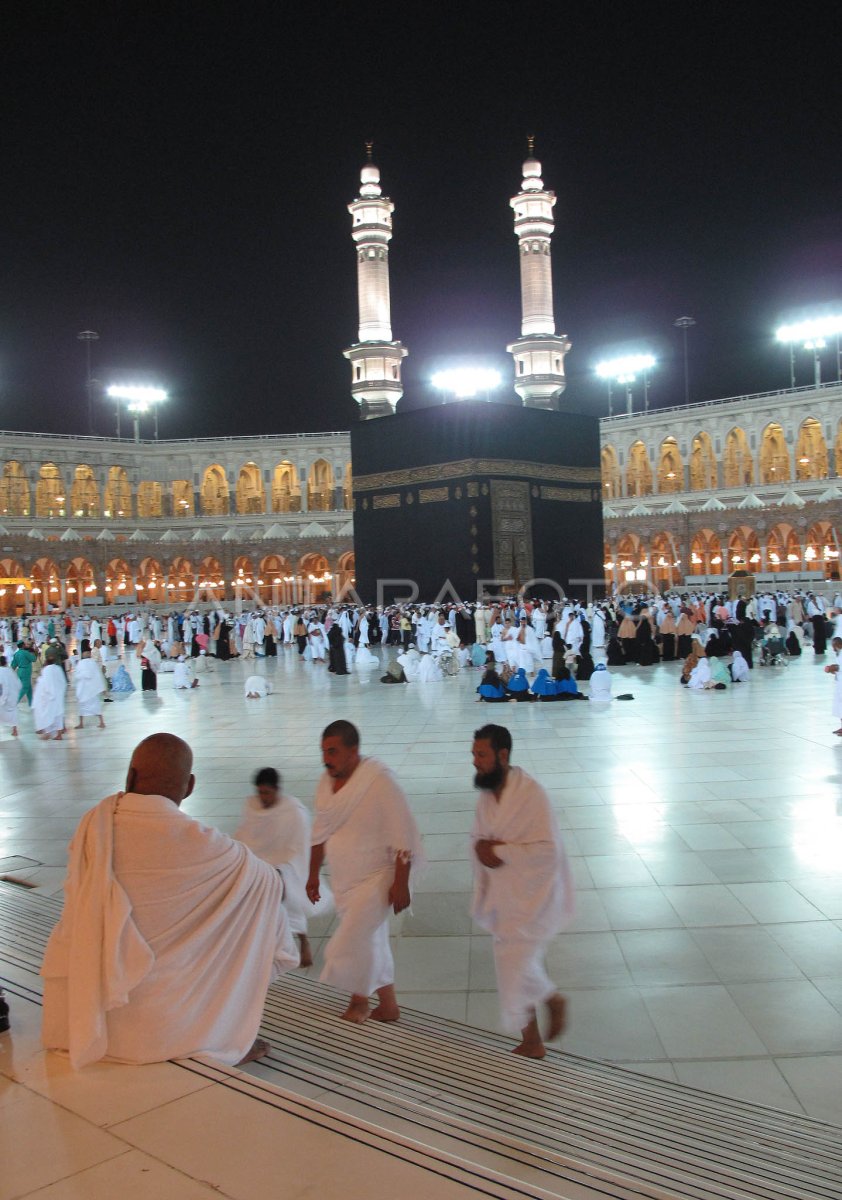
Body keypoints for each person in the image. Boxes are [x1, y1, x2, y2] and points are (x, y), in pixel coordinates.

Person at [41, 733, 298, 1068]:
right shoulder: (209, 846)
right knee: (257, 908)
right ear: (189, 786)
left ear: (130, 776)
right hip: (170, 1027)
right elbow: (270, 885)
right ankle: (223, 1032)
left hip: (94, 1017)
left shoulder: (94, 825)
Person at [306, 720, 424, 1024]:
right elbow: (319, 833)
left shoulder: (379, 781)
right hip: (345, 879)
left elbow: (404, 834)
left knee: (349, 940)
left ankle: (358, 1002)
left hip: (379, 877)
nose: (326, 759)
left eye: (332, 751)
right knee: (372, 939)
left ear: (353, 751)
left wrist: (401, 882)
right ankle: (388, 1006)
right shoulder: (325, 783)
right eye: (323, 752)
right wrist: (311, 874)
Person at [470, 725, 574, 1059]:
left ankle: (551, 999)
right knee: (510, 965)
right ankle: (532, 1039)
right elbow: (479, 840)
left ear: (503, 756)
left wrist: (498, 851)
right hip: (504, 894)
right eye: (473, 755)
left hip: (533, 896)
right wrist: (483, 850)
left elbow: (548, 851)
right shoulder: (487, 798)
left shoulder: (531, 794)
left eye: (481, 755)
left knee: (515, 961)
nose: (475, 762)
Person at [235, 767, 319, 967]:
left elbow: (299, 847)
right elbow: (246, 837)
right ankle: (267, 946)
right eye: (260, 792)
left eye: (267, 793)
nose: (263, 797)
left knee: (288, 895)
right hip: (261, 863)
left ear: (277, 790)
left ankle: (303, 941)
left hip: (287, 866)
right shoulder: (252, 807)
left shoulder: (293, 811)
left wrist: (282, 868)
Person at [32, 652, 68, 739]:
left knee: (48, 714)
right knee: (58, 714)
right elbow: (63, 681)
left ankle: (47, 733)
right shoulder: (58, 668)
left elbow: (46, 683)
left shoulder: (46, 670)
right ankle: (59, 734)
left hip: (50, 696)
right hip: (58, 695)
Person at [74, 649, 106, 730]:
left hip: (90, 689)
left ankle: (101, 722)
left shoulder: (91, 663)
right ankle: (81, 723)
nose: (87, 654)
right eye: (86, 652)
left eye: (88, 653)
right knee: (83, 707)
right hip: (84, 689)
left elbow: (97, 675)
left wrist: (102, 688)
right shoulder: (82, 663)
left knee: (94, 705)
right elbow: (77, 675)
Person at [825, 637, 842, 736]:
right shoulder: (839, 654)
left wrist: (833, 668)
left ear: (839, 645)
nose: (833, 649)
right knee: (840, 706)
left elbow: (840, 667)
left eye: (834, 646)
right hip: (839, 683)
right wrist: (833, 670)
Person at [0, 654, 19, 736]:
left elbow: (2, 685)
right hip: (12, 696)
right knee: (13, 713)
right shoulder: (10, 670)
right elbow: (18, 684)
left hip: (3, 695)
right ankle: (15, 730)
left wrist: (3, 698)